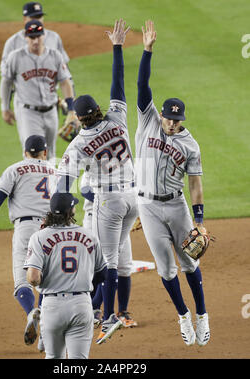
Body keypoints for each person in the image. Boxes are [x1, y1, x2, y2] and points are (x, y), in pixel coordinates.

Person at [56, 19, 138, 345]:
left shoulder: (77, 145)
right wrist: (117, 46)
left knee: (105, 263)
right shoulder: (117, 116)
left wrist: (61, 216)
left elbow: (63, 183)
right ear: (99, 110)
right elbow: (118, 82)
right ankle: (106, 312)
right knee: (115, 257)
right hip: (135, 198)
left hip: (109, 203)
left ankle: (105, 318)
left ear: (79, 118)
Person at [135, 20, 210, 346]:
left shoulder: (190, 145)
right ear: (161, 113)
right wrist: (147, 50)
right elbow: (141, 85)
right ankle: (182, 316)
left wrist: (200, 220)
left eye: (176, 120)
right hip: (147, 206)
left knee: (190, 261)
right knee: (165, 269)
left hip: (176, 205)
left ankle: (202, 315)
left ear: (182, 121)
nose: (170, 122)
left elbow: (195, 185)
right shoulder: (148, 118)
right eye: (167, 116)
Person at [0, 135, 58, 346]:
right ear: (45, 152)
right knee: (49, 283)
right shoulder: (55, 169)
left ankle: (31, 312)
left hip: (26, 229)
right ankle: (45, 333)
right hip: (51, 230)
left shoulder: (16, 168)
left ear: (25, 152)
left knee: (22, 283)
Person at [24, 192, 107, 359]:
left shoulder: (39, 237)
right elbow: (102, 274)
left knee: (54, 357)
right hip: (81, 304)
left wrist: (46, 279)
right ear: (72, 211)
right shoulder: (90, 236)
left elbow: (33, 278)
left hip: (52, 305)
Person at [0, 19, 76, 162]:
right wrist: (5, 107)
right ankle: (32, 183)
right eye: (31, 37)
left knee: (50, 154)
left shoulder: (55, 56)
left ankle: (50, 184)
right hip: (28, 112)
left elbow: (65, 82)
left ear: (44, 36)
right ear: (26, 37)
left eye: (38, 36)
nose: (35, 41)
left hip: (52, 111)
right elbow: (6, 82)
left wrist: (71, 109)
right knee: (33, 153)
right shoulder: (15, 57)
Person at [80, 172, 138, 328]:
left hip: (119, 218)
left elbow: (135, 189)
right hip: (95, 219)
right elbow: (85, 189)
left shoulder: (125, 167)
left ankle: (122, 312)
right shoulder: (93, 166)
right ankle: (93, 309)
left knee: (124, 266)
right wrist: (109, 204)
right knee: (97, 267)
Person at [0, 2, 72, 115]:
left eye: (39, 17)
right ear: (25, 19)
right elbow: (6, 76)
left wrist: (71, 104)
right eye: (33, 17)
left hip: (52, 99)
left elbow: (65, 72)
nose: (37, 20)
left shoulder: (54, 38)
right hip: (24, 101)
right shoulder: (12, 43)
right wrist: (6, 105)